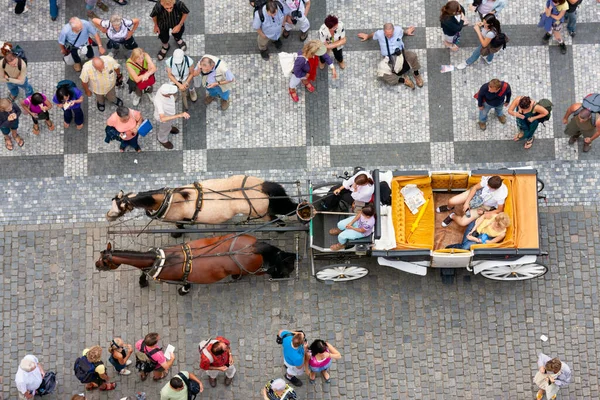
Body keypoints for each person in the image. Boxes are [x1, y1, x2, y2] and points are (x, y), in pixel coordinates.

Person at [358, 23, 423, 89]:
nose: (389, 36)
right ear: (384, 31)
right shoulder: (379, 34)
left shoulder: (398, 30)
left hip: (401, 53)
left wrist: (407, 32)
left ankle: (416, 74)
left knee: (412, 56)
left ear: (393, 30)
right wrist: (367, 36)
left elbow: (402, 32)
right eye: (387, 34)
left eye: (390, 34)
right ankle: (404, 80)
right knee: (382, 73)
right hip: (388, 58)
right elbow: (373, 34)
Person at [438, 175, 508, 227]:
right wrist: (467, 202)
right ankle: (449, 207)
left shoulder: (501, 195)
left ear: (495, 188)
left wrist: (484, 212)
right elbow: (475, 188)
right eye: (487, 184)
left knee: (463, 223)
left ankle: (452, 216)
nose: (487, 186)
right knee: (451, 201)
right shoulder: (488, 180)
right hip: (477, 194)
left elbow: (499, 210)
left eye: (489, 186)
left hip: (484, 206)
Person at [153, 83, 190, 149]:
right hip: (165, 118)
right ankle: (162, 139)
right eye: (172, 93)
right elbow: (163, 119)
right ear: (167, 94)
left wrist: (182, 85)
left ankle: (169, 128)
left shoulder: (164, 87)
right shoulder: (158, 102)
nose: (173, 94)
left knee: (168, 125)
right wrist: (179, 115)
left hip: (169, 113)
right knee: (164, 128)